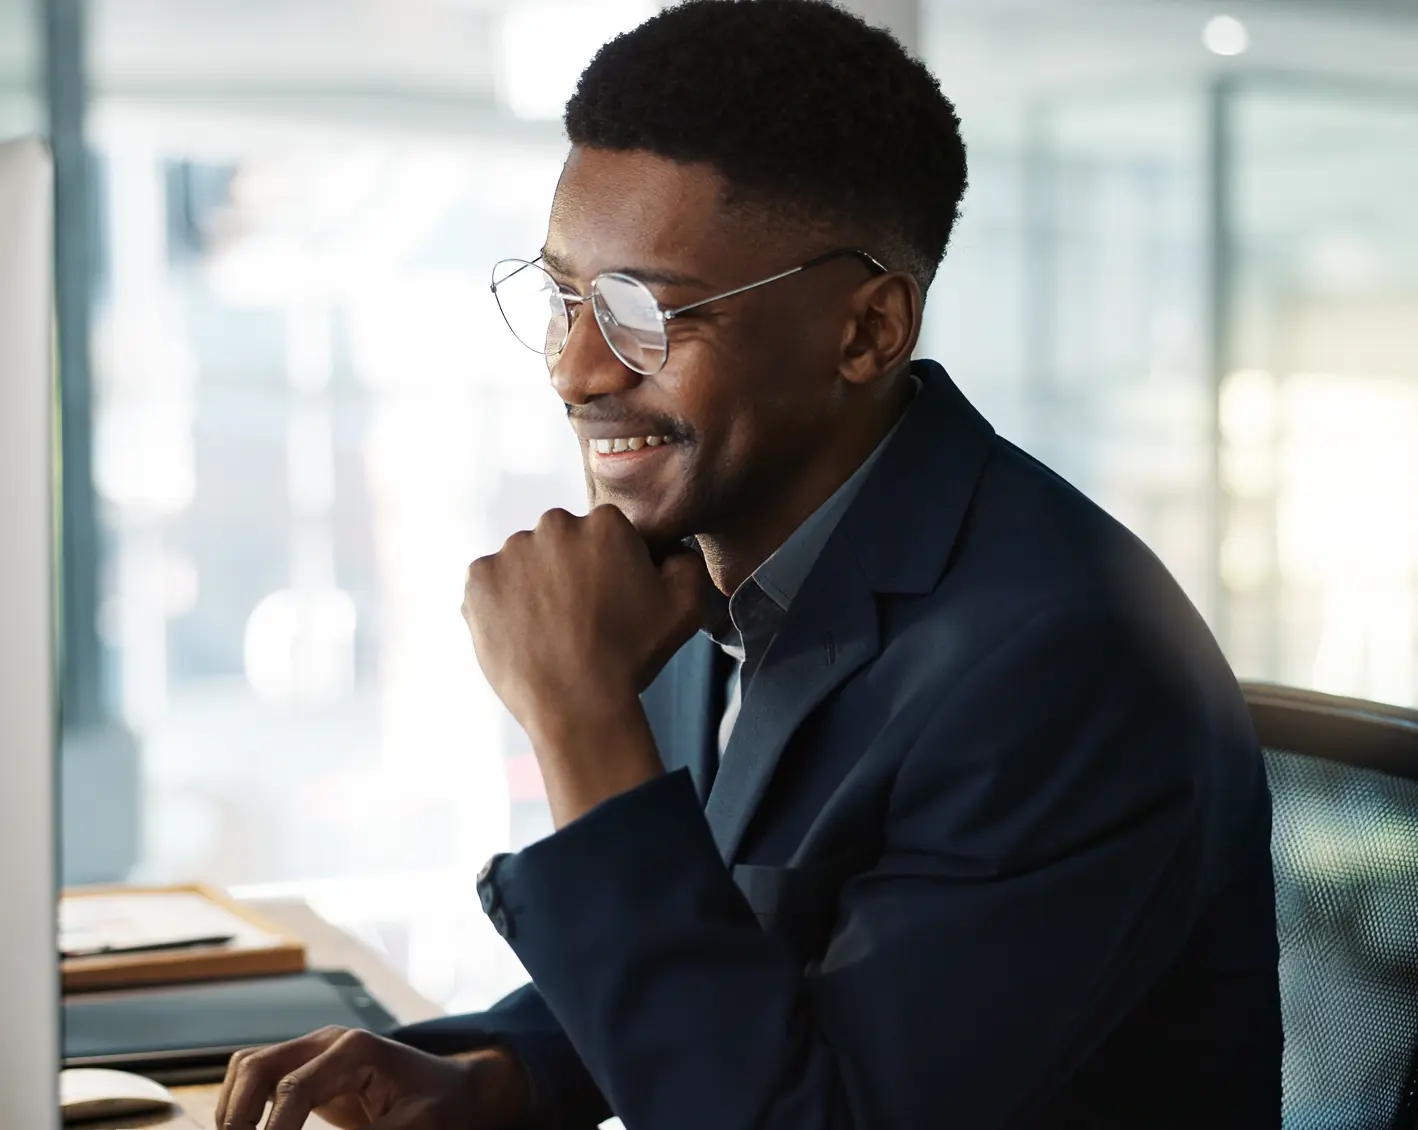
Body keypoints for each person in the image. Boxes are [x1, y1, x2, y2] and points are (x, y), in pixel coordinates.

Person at [215, 2, 1282, 1128]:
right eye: (565, 298)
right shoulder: (709, 553)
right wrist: (505, 1073)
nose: (576, 370)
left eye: (643, 311)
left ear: (867, 331)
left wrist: (581, 719)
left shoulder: (1062, 664)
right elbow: (734, 952)